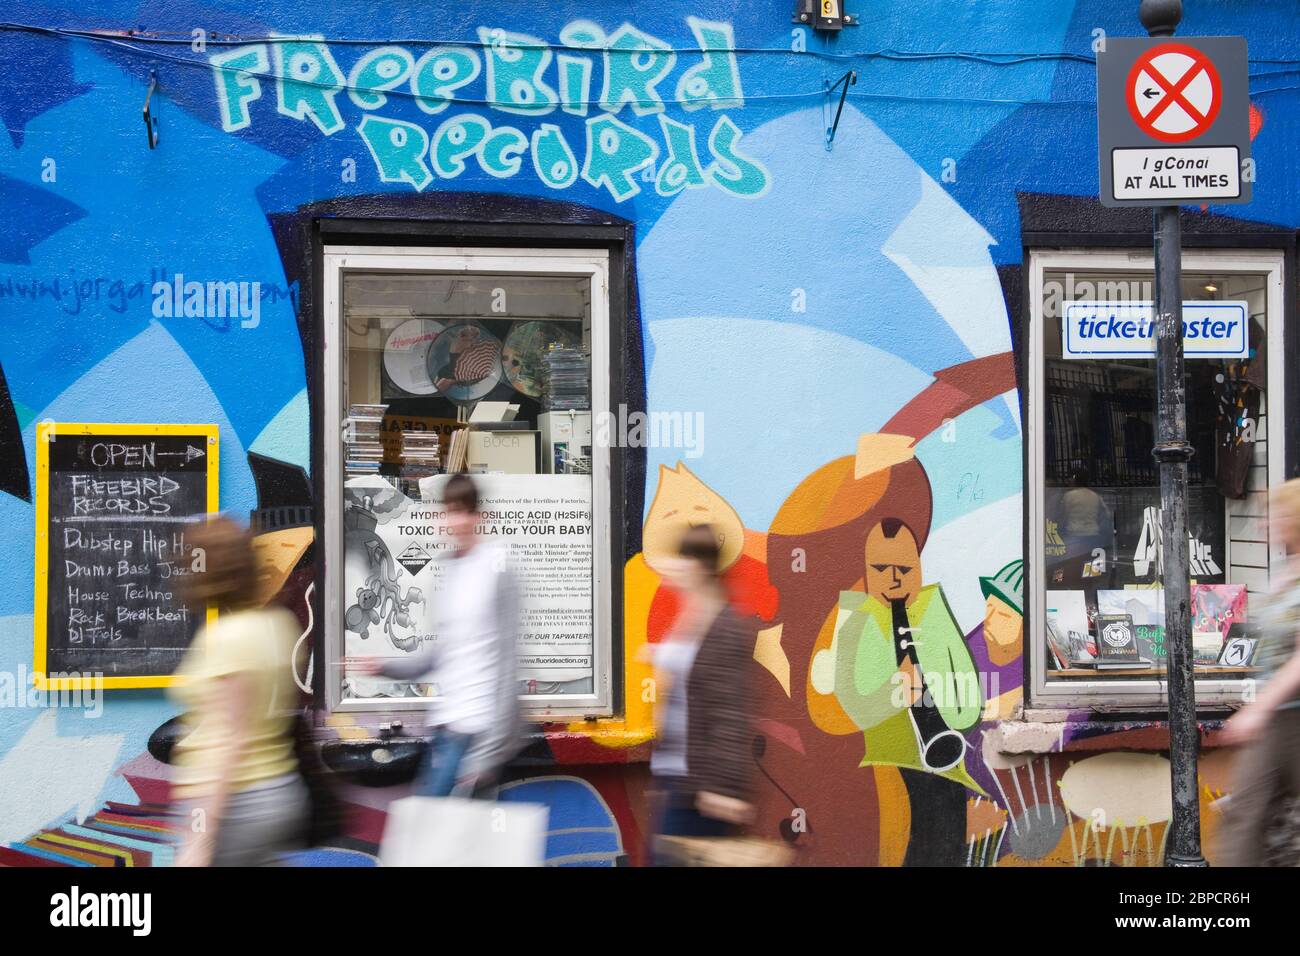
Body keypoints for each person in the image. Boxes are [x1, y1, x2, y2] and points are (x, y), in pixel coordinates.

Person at [352, 473, 522, 797]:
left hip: (476, 731)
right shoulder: (451, 568)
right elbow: (440, 655)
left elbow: (508, 661)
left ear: (477, 516)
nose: (454, 521)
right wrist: (382, 666)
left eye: (462, 511)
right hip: (448, 726)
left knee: (434, 833)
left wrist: (488, 752)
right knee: (449, 837)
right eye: (448, 511)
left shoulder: (498, 566)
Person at [170, 517, 309, 867]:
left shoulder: (226, 639)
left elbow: (231, 741)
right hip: (277, 790)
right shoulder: (277, 625)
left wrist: (200, 839)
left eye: (194, 564)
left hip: (235, 801)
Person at [644, 524, 756, 865]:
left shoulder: (723, 628)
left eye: (682, 559)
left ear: (698, 566)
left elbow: (730, 711)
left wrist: (724, 787)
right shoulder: (693, 617)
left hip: (701, 785)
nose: (673, 567)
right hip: (676, 775)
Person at [1219, 478, 1300, 865]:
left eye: (1276, 515)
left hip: (1289, 719)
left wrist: (1258, 708)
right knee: (1247, 817)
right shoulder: (1287, 572)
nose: (1265, 524)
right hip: (1280, 719)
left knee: (1248, 819)